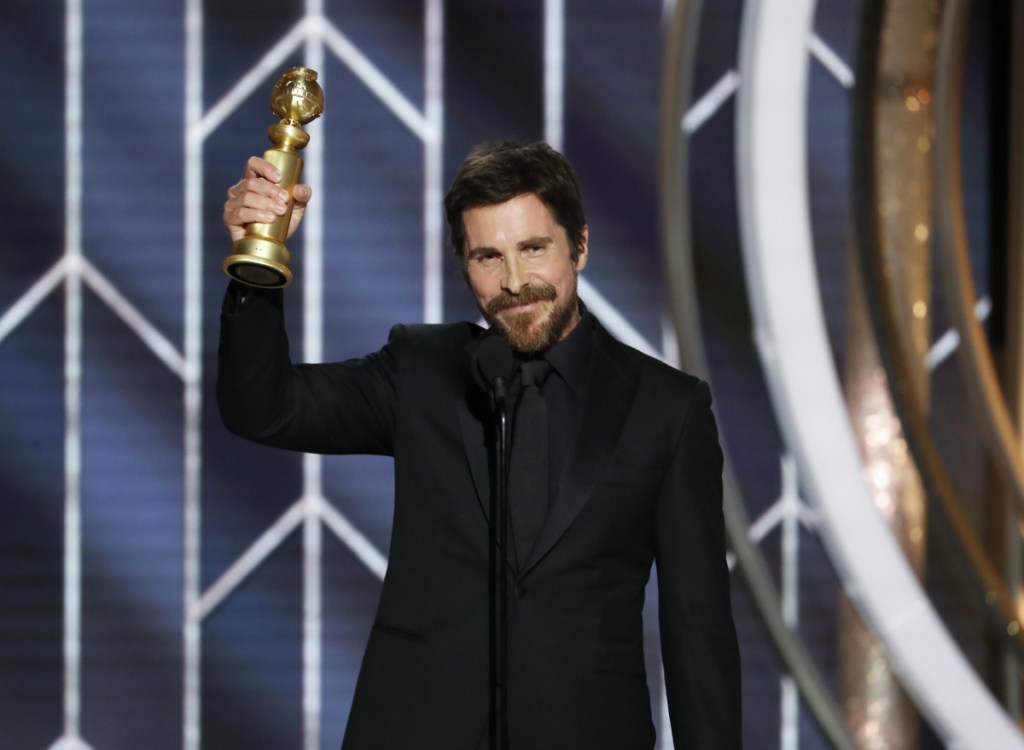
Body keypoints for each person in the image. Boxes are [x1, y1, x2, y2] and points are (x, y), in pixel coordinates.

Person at [218, 141, 741, 749]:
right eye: (488, 257)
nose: (515, 282)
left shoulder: (667, 409)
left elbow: (697, 633)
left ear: (581, 246)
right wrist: (259, 257)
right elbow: (265, 409)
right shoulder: (421, 370)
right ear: (464, 266)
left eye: (534, 249)